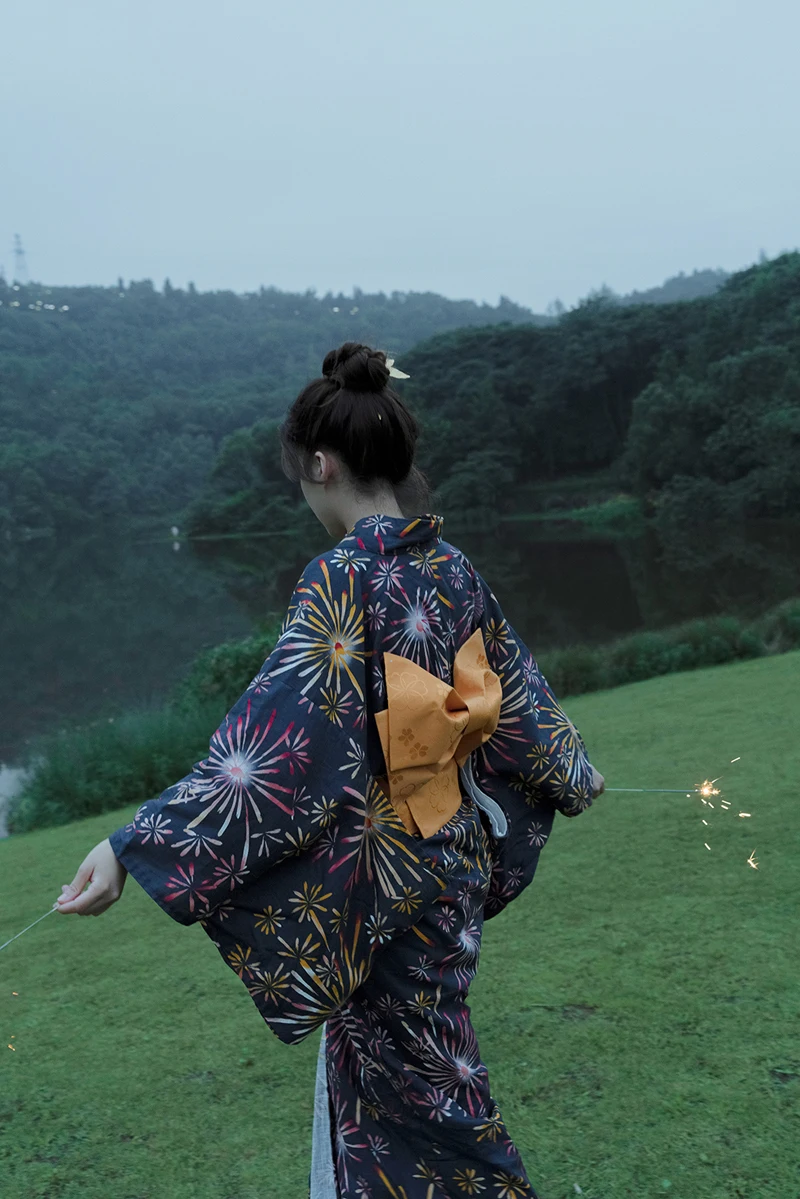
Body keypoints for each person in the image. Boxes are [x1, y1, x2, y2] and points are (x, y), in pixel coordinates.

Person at [55, 342, 605, 1199]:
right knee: (406, 1089)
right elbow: (521, 702)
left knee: (435, 1106)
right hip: (452, 867)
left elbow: (276, 746)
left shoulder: (343, 578)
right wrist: (569, 768)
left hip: (389, 888)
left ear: (321, 464)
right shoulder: (451, 567)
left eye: (301, 478)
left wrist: (136, 843)